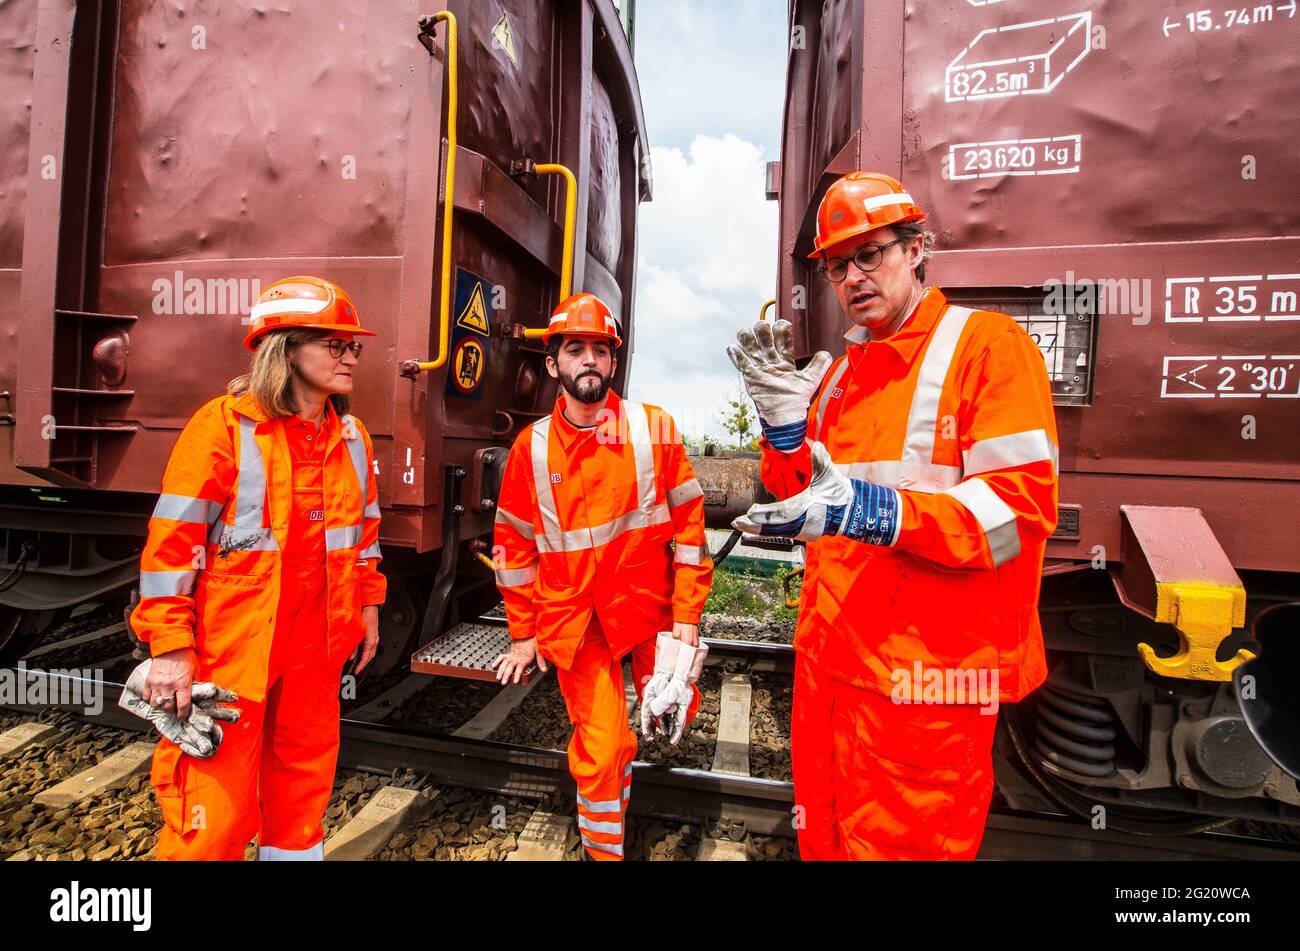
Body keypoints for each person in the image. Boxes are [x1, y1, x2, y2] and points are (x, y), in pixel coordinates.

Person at [729, 172, 1059, 860]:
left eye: (869, 254)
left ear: (916, 250)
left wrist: (877, 513)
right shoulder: (844, 376)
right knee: (822, 838)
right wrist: (786, 433)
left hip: (924, 683)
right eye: (836, 265)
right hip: (832, 667)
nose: (852, 276)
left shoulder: (989, 349)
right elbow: (797, 494)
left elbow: (1017, 519)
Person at [129, 275, 386, 860]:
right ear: (285, 346)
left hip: (316, 651)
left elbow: (363, 536)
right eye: (335, 344)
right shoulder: (222, 427)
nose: (350, 357)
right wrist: (169, 647)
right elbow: (171, 546)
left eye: (354, 347)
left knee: (301, 804)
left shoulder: (352, 438)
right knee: (213, 814)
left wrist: (368, 605)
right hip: (233, 652)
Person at [491, 292, 713, 861]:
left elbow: (690, 529)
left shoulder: (653, 428)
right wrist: (522, 633)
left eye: (598, 349)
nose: (588, 359)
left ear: (613, 362)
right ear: (553, 364)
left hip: (648, 607)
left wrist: (687, 619)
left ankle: (618, 796)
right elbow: (513, 548)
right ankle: (602, 852)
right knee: (604, 744)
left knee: (673, 713)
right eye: (574, 349)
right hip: (576, 620)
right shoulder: (531, 451)